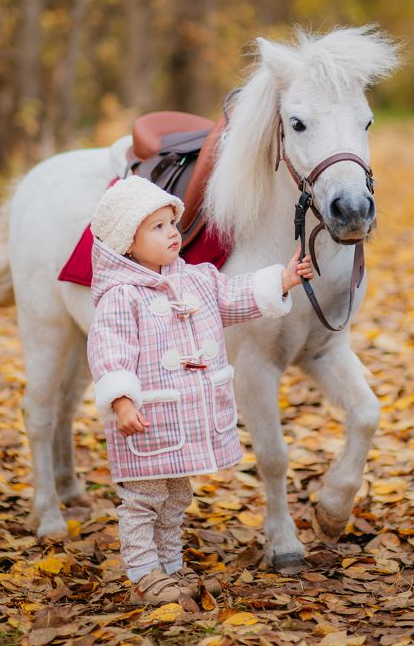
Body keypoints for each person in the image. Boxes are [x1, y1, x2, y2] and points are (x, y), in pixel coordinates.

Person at [87, 175, 313, 605]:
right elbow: (109, 351)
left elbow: (233, 295)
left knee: (177, 495)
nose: (172, 232)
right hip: (148, 419)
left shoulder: (195, 280)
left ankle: (170, 565)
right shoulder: (121, 297)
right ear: (126, 243)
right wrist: (119, 399)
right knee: (143, 499)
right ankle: (143, 571)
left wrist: (281, 280)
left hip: (182, 420)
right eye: (156, 227)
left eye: (172, 223)